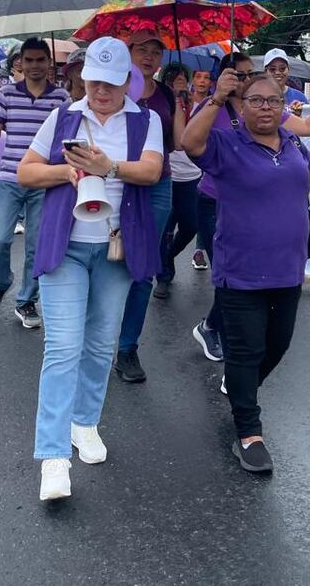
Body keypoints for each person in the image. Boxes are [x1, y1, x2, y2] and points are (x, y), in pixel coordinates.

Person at [17, 37, 164, 501]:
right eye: (93, 80)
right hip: (67, 247)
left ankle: (85, 424)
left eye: (111, 81)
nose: (101, 91)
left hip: (117, 248)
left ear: (127, 79)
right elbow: (25, 171)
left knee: (101, 346)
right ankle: (53, 457)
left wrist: (109, 166)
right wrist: (67, 172)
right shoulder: (64, 116)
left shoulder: (147, 119)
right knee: (63, 348)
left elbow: (152, 172)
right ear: (83, 77)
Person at [183, 69, 310, 473]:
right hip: (240, 271)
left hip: (288, 269)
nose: (265, 108)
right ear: (242, 106)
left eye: (273, 100)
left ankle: (241, 390)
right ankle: (248, 432)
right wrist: (217, 99)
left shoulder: (292, 142)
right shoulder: (226, 144)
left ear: (282, 104)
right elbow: (190, 143)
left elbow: (302, 183)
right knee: (246, 349)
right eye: (255, 100)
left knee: (279, 344)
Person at [189, 52, 310, 363]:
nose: (247, 79)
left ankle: (222, 335)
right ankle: (234, 355)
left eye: (251, 73)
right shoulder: (214, 107)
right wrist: (217, 98)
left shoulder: (266, 106)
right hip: (217, 202)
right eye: (240, 74)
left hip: (262, 202)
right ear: (225, 76)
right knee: (232, 276)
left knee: (253, 285)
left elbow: (306, 127)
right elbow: (189, 142)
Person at [0, 38, 69, 328]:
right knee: (0, 237)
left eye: (39, 60)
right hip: (8, 177)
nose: (33, 66)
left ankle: (27, 300)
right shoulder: (6, 94)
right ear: (20, 63)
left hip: (44, 181)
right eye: (28, 60)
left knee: (35, 244)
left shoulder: (62, 99)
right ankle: (1, 281)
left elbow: (67, 140)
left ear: (49, 63)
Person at [113, 32, 177, 383]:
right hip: (114, 181)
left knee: (143, 267)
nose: (149, 57)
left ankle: (127, 348)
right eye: (143, 50)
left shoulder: (166, 94)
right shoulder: (114, 88)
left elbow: (179, 143)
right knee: (106, 259)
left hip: (157, 184)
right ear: (129, 52)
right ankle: (91, 340)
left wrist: (191, 103)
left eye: (156, 52)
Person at [154, 63, 198, 299]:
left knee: (191, 225)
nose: (180, 81)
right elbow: (175, 137)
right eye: (174, 78)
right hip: (168, 173)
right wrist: (176, 101)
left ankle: (168, 256)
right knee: (165, 228)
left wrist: (187, 103)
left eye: (184, 77)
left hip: (192, 176)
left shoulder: (195, 104)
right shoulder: (164, 103)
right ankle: (162, 274)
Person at [189, 68, 214, 271]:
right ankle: (165, 260)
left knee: (199, 218)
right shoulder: (181, 100)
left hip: (204, 170)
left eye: (207, 77)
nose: (202, 81)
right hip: (179, 168)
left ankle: (200, 250)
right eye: (198, 77)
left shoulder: (216, 104)